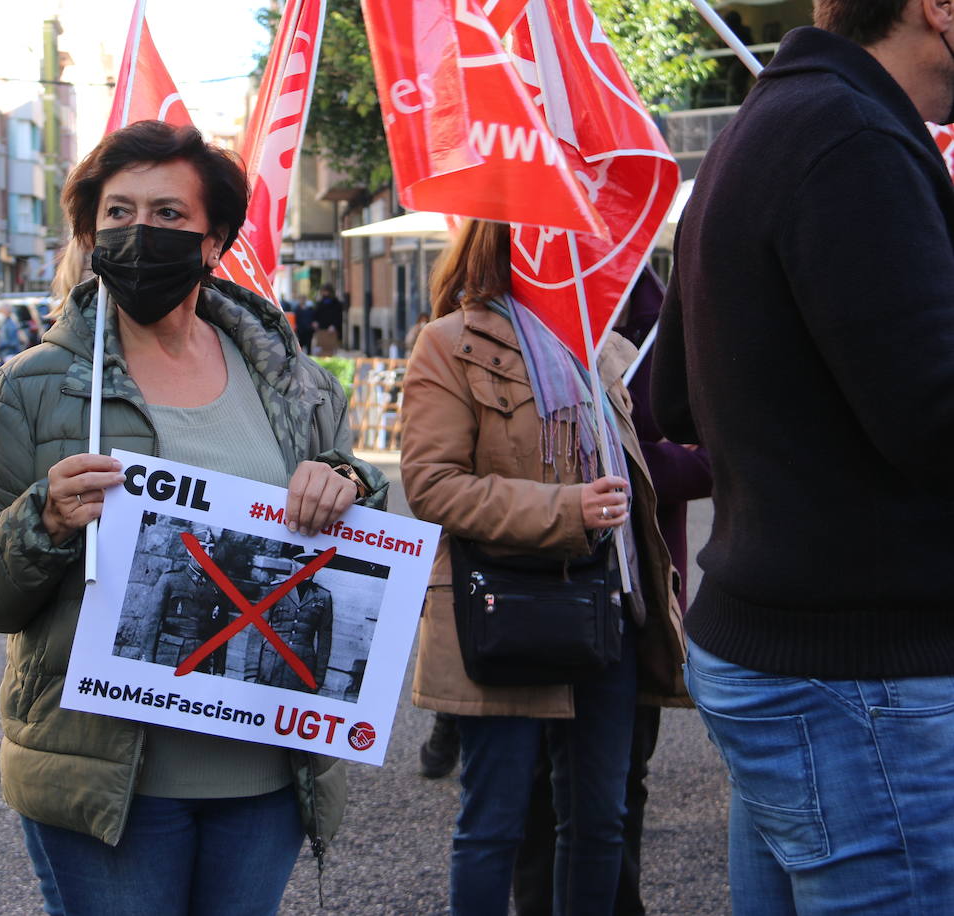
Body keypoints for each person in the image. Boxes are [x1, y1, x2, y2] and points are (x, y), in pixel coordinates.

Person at [0, 119, 388, 916]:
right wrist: (43, 518)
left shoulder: (297, 385)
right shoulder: (31, 389)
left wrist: (346, 480)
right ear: (90, 230)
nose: (141, 232)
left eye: (170, 215)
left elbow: (357, 534)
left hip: (265, 782)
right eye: (119, 212)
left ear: (215, 242)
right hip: (106, 786)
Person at [651, 2, 954, 912]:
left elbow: (669, 398)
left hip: (794, 661)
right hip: (859, 680)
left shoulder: (775, 120)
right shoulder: (851, 138)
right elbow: (935, 420)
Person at [401, 219, 686, 915]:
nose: (584, 257)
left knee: (599, 822)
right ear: (510, 247)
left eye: (586, 244)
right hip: (502, 613)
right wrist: (567, 510)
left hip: (605, 614)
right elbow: (431, 486)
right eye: (560, 242)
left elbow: (644, 466)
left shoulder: (602, 349)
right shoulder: (448, 343)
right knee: (492, 825)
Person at [511, 270, 712, 916]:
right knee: (536, 788)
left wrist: (613, 462)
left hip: (634, 594)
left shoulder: (670, 312)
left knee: (620, 783)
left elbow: (713, 453)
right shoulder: (509, 303)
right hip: (530, 593)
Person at [252, 550, 334, 694]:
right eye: (303, 562)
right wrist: (251, 672)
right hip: (271, 664)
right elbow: (257, 631)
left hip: (302, 669)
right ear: (293, 563)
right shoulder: (276, 589)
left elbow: (324, 642)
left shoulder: (323, 597)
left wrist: (318, 679)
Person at [142, 541, 228, 675]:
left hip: (201, 661)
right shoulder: (170, 580)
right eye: (202, 548)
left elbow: (221, 632)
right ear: (189, 550)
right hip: (169, 656)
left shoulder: (217, 588)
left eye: (211, 550)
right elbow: (151, 623)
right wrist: (146, 659)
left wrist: (218, 669)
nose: (207, 554)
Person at [314, 284, 343, 355]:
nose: (324, 293)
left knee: (331, 349)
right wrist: (315, 322)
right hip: (322, 329)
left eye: (326, 291)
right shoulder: (320, 303)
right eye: (323, 291)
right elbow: (316, 314)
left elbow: (339, 316)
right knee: (321, 348)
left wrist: (334, 325)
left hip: (332, 330)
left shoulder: (336, 303)